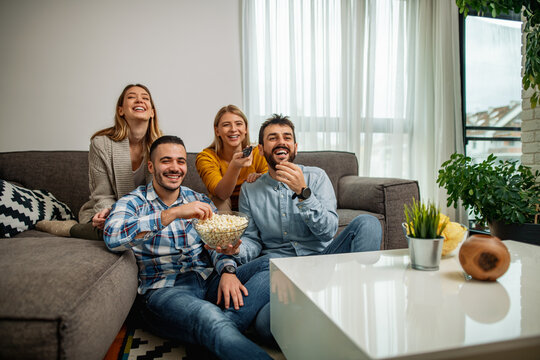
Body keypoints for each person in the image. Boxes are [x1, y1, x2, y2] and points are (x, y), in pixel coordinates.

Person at [217, 114, 383, 344]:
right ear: (261, 148)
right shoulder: (250, 189)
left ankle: (356, 302)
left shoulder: (316, 177)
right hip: (279, 275)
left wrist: (303, 193)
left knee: (368, 223)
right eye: (272, 138)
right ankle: (319, 313)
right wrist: (236, 250)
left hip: (322, 264)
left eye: (287, 137)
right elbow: (253, 242)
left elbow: (327, 231)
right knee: (266, 326)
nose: (281, 141)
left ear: (295, 147)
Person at [103, 135, 272, 360]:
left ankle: (219, 329)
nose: (175, 168)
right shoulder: (132, 202)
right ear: (151, 166)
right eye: (166, 161)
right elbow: (112, 236)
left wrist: (228, 271)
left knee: (273, 265)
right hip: (165, 290)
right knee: (208, 315)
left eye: (180, 161)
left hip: (209, 280)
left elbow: (214, 244)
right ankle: (215, 326)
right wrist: (171, 214)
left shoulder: (198, 198)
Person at [36, 84, 163, 239]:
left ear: (152, 112)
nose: (139, 100)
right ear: (120, 110)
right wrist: (112, 217)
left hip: (146, 214)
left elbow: (161, 194)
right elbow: (103, 195)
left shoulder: (162, 147)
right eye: (131, 97)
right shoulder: (101, 144)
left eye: (145, 98)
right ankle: (71, 229)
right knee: (115, 234)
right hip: (109, 211)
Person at [196, 105, 267, 211]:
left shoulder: (258, 152)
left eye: (238, 124)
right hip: (223, 207)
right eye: (226, 125)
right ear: (217, 131)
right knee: (219, 200)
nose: (233, 129)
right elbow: (222, 194)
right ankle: (227, 228)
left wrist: (261, 178)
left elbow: (272, 185)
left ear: (246, 129)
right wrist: (235, 166)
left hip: (253, 203)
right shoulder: (206, 157)